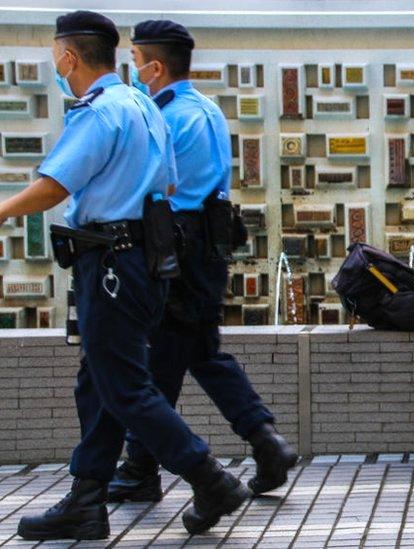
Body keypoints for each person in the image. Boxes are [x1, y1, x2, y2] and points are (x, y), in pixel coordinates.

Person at [0, 11, 249, 541]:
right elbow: (170, 183)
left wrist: (0, 211)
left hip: (111, 262)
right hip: (143, 261)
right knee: (99, 383)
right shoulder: (143, 105)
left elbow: (55, 185)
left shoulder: (100, 111)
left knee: (127, 387)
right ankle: (86, 499)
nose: (55, 62)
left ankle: (210, 479)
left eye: (55, 53)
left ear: (68, 56)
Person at [105, 19, 298, 504]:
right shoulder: (206, 109)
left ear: (155, 66)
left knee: (163, 356)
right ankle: (265, 441)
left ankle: (142, 468)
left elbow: (153, 187)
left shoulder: (164, 117)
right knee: (200, 351)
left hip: (178, 243)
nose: (131, 71)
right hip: (210, 243)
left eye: (134, 62)